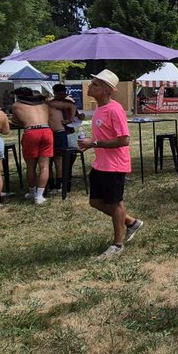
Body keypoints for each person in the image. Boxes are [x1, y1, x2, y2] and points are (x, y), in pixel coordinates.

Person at [78, 69, 144, 257]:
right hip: (101, 163)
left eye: (95, 85)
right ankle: (131, 222)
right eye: (92, 83)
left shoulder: (115, 110)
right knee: (95, 201)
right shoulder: (99, 108)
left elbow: (124, 140)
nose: (90, 86)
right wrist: (90, 143)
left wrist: (94, 143)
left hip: (114, 165)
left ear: (107, 90)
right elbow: (103, 135)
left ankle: (117, 245)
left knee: (115, 203)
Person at [12, 85, 53, 204]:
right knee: (44, 166)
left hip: (31, 132)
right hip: (46, 131)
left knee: (31, 166)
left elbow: (16, 121)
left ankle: (32, 192)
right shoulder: (45, 105)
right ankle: (40, 196)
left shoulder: (17, 106)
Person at [47, 84, 78, 191]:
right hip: (59, 132)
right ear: (55, 93)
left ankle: (64, 180)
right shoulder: (51, 103)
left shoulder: (67, 102)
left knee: (66, 157)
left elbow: (73, 109)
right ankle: (56, 183)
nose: (63, 96)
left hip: (67, 132)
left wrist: (72, 118)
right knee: (53, 160)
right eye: (60, 94)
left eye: (64, 93)